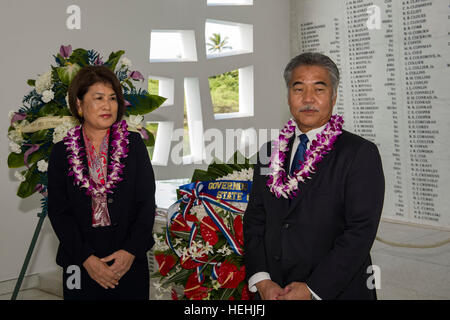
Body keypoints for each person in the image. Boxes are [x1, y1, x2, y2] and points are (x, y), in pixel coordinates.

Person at [243, 52, 385, 300]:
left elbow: (359, 232)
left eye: (319, 89)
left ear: (334, 95)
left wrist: (312, 290)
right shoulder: (270, 151)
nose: (308, 99)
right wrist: (262, 280)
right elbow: (256, 218)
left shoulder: (359, 154)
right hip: (272, 292)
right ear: (288, 96)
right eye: (298, 89)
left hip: (335, 292)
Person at [47, 65, 156, 300]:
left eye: (112, 98)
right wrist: (87, 259)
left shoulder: (134, 145)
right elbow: (59, 212)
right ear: (79, 104)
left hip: (128, 258)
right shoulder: (61, 152)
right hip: (80, 259)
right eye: (98, 98)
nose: (107, 105)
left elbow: (146, 204)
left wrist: (129, 252)